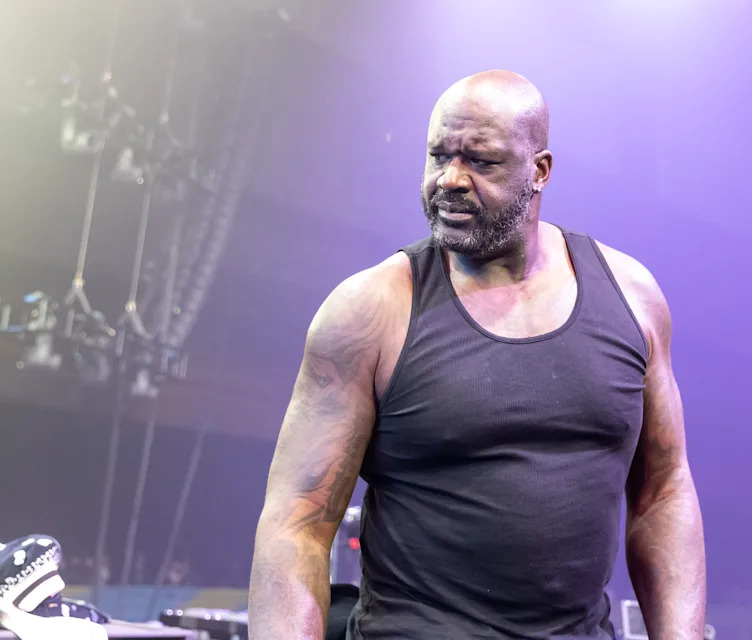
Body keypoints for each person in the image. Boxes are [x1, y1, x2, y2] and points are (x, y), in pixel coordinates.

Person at [249, 70, 706, 639]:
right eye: (438, 155)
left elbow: (663, 492)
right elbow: (298, 523)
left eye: (480, 161)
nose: (450, 180)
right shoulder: (369, 310)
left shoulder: (632, 298)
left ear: (539, 171)